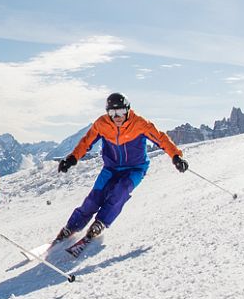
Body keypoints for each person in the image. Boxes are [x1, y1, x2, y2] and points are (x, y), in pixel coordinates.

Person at [54, 92, 188, 243]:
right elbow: (86, 142)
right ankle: (71, 227)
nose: (117, 117)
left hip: (135, 168)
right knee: (94, 198)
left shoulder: (140, 124)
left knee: (120, 192)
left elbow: (161, 139)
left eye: (121, 112)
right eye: (112, 112)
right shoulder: (102, 124)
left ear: (128, 110)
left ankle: (100, 223)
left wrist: (176, 156)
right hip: (111, 169)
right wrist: (72, 158)